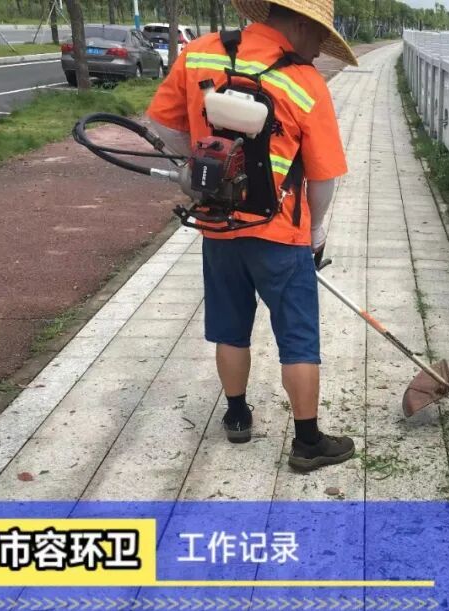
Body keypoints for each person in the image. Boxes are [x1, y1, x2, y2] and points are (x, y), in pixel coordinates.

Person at [144, 0, 357, 473]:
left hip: (218, 224)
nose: (317, 50)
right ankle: (308, 442)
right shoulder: (304, 82)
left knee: (230, 327)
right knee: (298, 339)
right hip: (281, 233)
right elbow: (323, 178)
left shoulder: (200, 53)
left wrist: (200, 164)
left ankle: (237, 416)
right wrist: (316, 230)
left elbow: (159, 124)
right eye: (318, 38)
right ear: (300, 23)